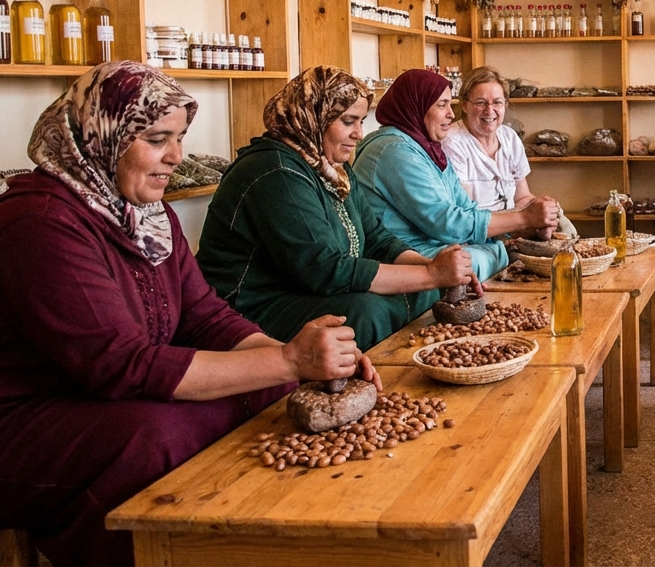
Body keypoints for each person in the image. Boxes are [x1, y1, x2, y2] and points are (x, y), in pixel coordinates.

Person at [0, 62, 378, 567]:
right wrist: (290, 361)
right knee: (155, 437)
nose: (176, 157)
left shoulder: (148, 213)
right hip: (29, 416)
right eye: (158, 139)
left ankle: (262, 539)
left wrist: (304, 364)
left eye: (179, 138)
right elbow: (120, 365)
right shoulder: (41, 223)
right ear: (101, 138)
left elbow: (205, 316)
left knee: (274, 388)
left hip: (111, 392)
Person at [198, 66, 476, 350]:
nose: (358, 134)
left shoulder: (331, 167)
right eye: (347, 121)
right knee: (366, 312)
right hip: (252, 305)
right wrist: (431, 275)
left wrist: (432, 269)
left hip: (307, 289)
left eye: (361, 121)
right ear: (313, 117)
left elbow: (376, 238)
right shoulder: (275, 171)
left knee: (424, 291)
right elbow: (324, 269)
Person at [352, 68, 559, 281]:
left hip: (438, 243)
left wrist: (525, 228)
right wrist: (523, 218)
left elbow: (466, 208)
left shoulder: (426, 148)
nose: (451, 113)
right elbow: (446, 224)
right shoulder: (394, 150)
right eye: (442, 105)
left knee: (496, 252)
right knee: (483, 258)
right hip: (404, 254)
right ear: (416, 106)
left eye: (450, 104)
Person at [442, 65, 577, 236]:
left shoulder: (509, 137)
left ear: (505, 104)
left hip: (514, 226)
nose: (489, 110)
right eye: (481, 102)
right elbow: (465, 213)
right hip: (478, 233)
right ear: (464, 105)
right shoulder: (452, 143)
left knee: (560, 222)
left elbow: (522, 197)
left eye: (497, 102)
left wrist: (542, 209)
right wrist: (525, 218)